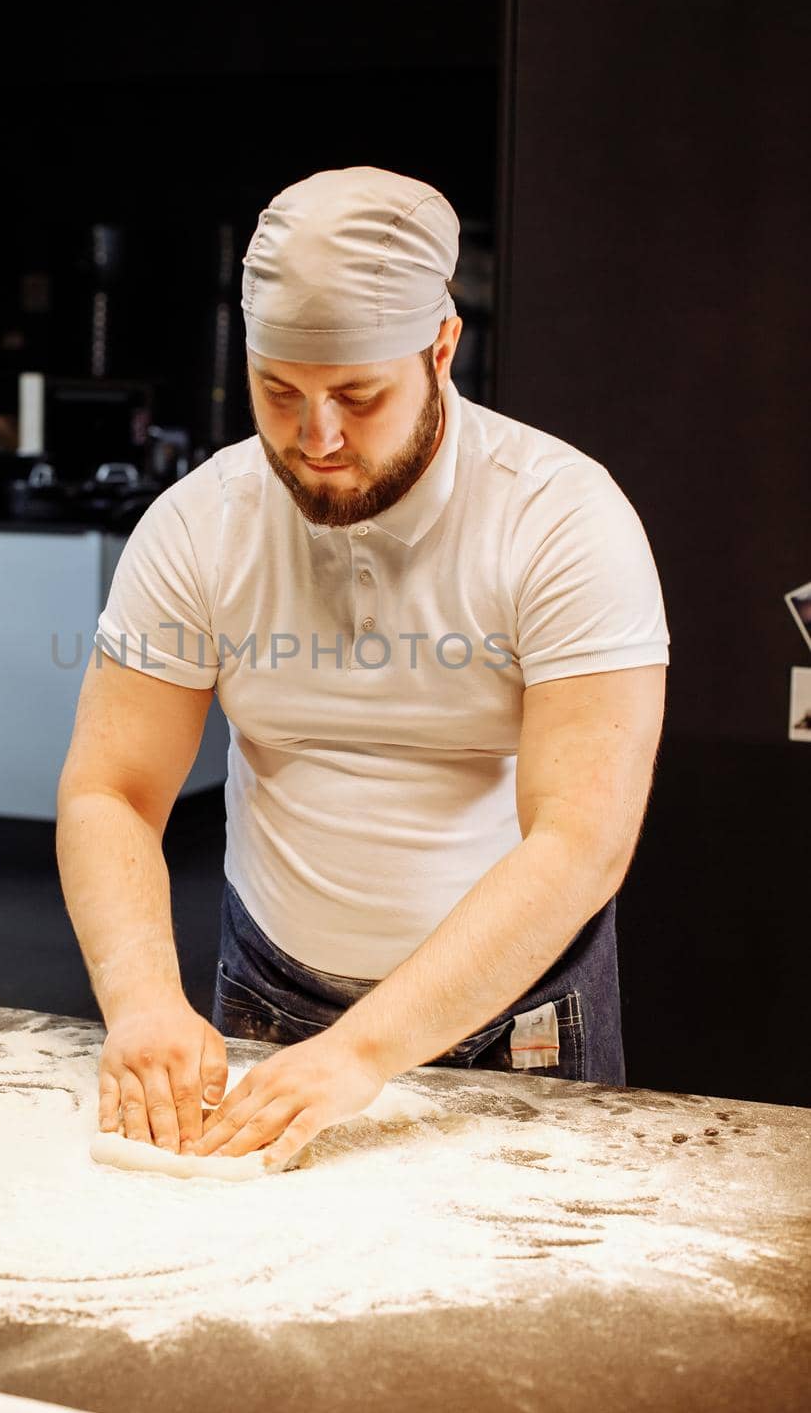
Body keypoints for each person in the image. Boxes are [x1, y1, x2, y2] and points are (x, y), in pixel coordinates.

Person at [56, 166, 668, 1174]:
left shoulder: (559, 517)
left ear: (440, 349)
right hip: (272, 989)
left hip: (517, 1016)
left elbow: (580, 839)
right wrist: (142, 1000)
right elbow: (109, 788)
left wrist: (361, 1051)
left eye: (357, 396)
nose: (316, 440)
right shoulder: (202, 522)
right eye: (278, 392)